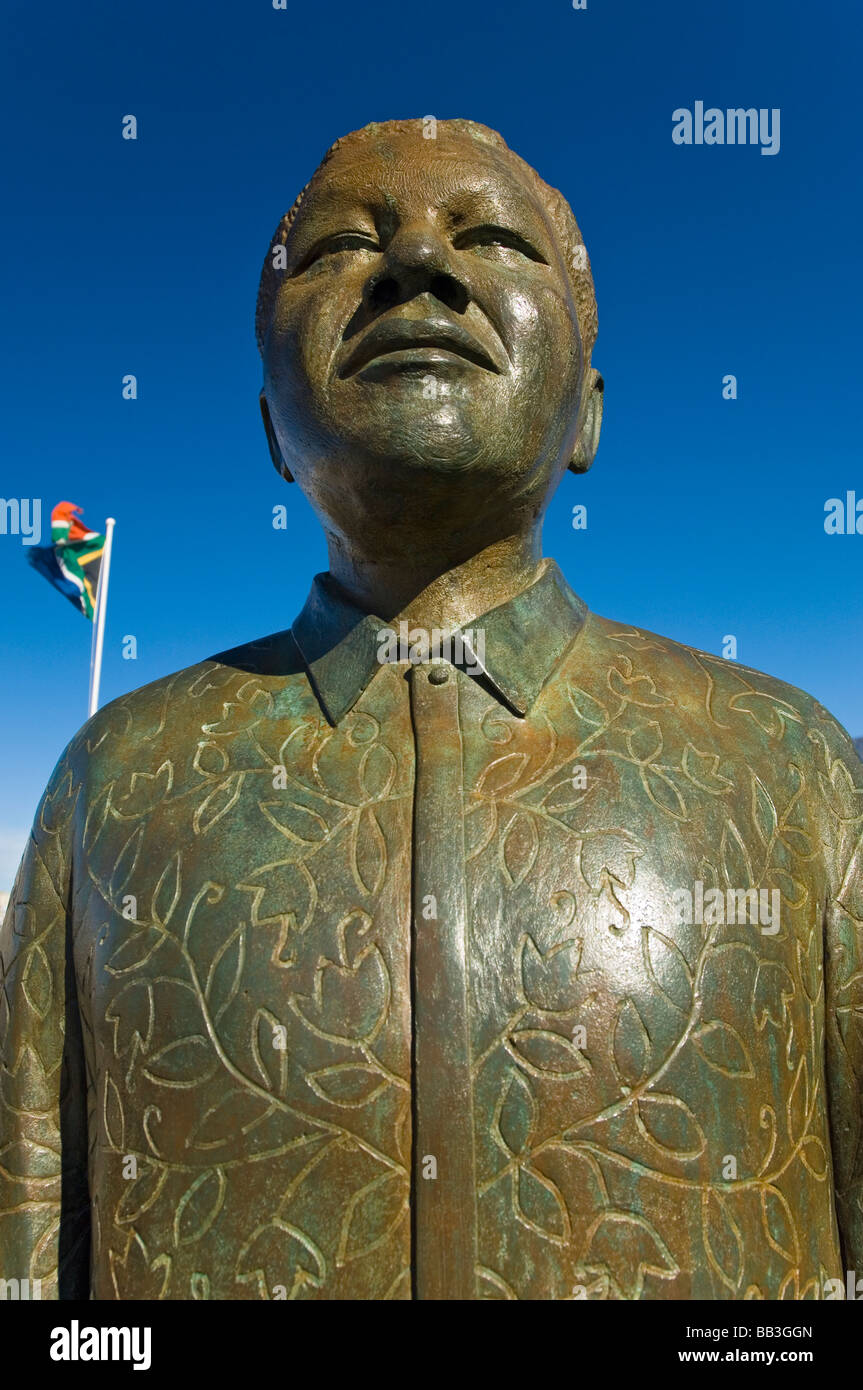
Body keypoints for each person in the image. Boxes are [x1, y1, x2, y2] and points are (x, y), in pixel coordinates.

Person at [2, 118, 861, 1301]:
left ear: (589, 417)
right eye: (340, 247)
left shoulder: (792, 763)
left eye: (492, 240)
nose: (419, 264)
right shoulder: (114, 777)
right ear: (269, 435)